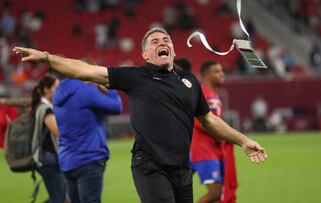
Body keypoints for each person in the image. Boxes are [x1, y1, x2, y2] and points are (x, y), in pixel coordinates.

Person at [13, 27, 268, 203]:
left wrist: (243, 140)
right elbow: (84, 71)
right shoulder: (136, 77)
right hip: (150, 166)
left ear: (174, 51)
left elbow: (209, 120)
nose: (162, 43)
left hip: (182, 168)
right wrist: (46, 57)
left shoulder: (190, 82)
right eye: (155, 42)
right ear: (145, 54)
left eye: (166, 40)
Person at [52, 59, 122, 203]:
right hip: (88, 158)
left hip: (67, 160)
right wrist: (110, 87)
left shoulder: (58, 91)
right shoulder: (85, 91)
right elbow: (116, 107)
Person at [191, 61, 237, 203]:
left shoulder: (215, 95)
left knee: (219, 194)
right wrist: (220, 134)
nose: (221, 74)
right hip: (203, 150)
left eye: (221, 70)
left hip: (215, 150)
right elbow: (199, 122)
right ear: (206, 75)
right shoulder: (202, 94)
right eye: (217, 71)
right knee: (215, 193)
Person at [31, 74, 67, 203]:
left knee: (62, 198)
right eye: (56, 87)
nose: (59, 90)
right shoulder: (45, 109)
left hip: (48, 158)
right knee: (59, 198)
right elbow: (59, 132)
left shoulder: (42, 107)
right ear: (46, 89)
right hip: (48, 158)